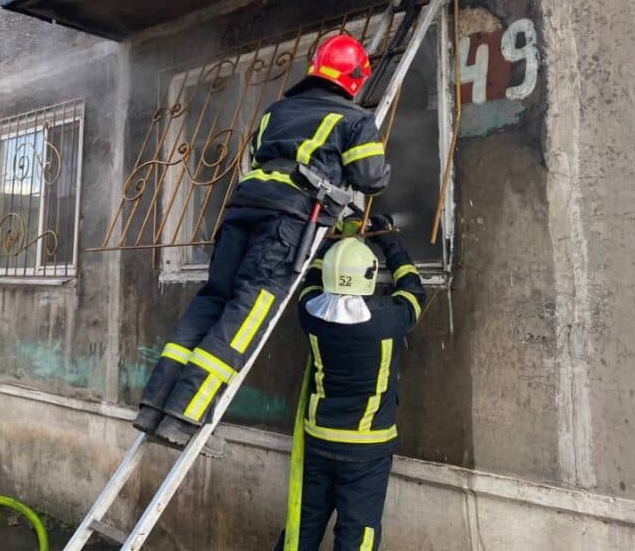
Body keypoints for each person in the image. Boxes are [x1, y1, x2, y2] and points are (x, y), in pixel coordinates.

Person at [135, 34, 392, 445]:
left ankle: (154, 405)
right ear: (356, 78)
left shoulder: (277, 111)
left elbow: (255, 155)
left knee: (214, 298)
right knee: (248, 311)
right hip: (286, 224)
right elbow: (370, 178)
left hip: (241, 212)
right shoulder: (354, 119)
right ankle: (187, 412)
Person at [275, 220, 426, 551]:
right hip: (367, 447)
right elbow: (414, 290)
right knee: (357, 534)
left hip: (318, 440)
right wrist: (389, 240)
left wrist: (335, 240)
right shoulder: (389, 318)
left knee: (302, 525)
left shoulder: (310, 312)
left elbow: (312, 282)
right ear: (369, 276)